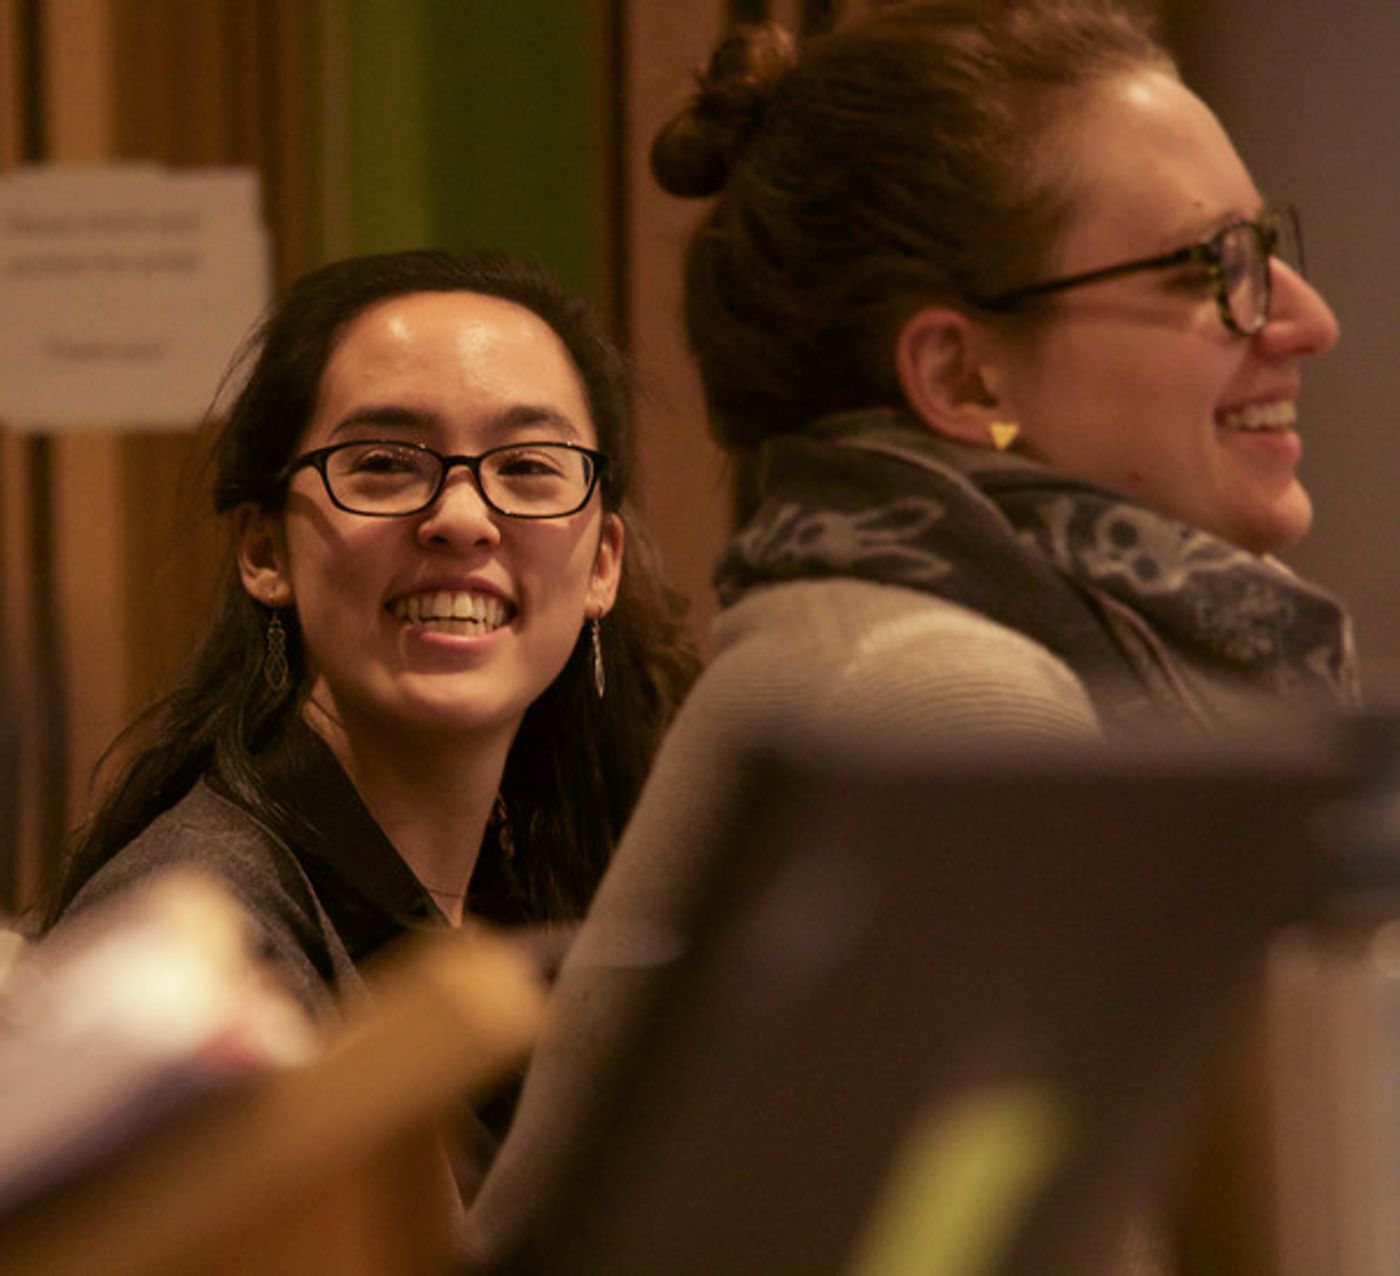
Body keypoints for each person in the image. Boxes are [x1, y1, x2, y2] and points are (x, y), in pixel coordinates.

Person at [467, 0, 1358, 1267]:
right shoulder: (947, 700)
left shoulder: (896, 646)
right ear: (964, 381)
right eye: (1214, 266)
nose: (1303, 318)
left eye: (1268, 247)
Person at [44, 248, 697, 1027]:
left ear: (603, 565)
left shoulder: (539, 896)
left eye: (527, 465)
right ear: (265, 550)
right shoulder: (199, 951)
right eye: (386, 462)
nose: (462, 519)